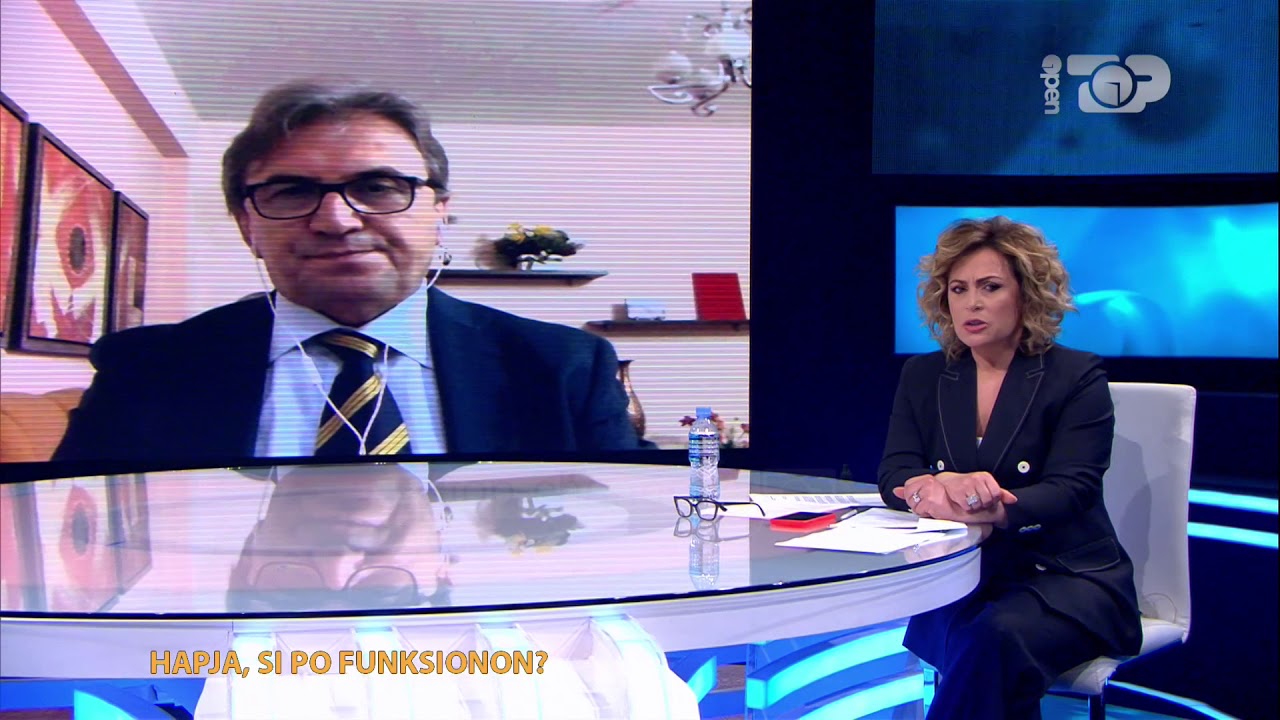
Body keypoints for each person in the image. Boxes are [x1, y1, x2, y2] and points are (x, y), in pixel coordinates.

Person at [53, 80, 643, 464]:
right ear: (246, 224)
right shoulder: (147, 369)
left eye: (378, 186)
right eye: (291, 192)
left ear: (439, 213)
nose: (336, 221)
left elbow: (619, 539)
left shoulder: (564, 366)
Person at [878, 217, 1141, 719]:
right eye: (958, 289)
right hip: (966, 573)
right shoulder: (925, 374)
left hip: (1066, 578)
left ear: (1027, 294)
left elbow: (1072, 488)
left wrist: (990, 507)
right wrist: (934, 485)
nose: (971, 303)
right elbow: (895, 471)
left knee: (991, 639)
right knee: (980, 639)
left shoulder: (1075, 375)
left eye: (990, 287)